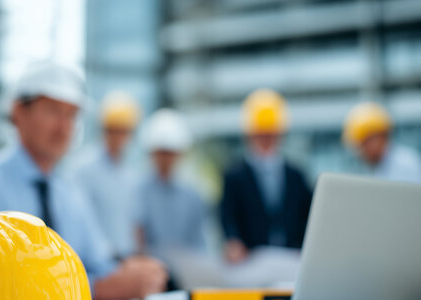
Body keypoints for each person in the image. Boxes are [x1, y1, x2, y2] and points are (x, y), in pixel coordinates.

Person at [0, 61, 167, 300]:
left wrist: (135, 274)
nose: (64, 127)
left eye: (71, 115)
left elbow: (100, 265)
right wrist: (104, 289)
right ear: (18, 112)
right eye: (53, 111)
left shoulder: (71, 193)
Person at [220, 89, 312, 264]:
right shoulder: (234, 176)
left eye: (269, 133)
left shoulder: (296, 176)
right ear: (249, 134)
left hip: (292, 259)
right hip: (251, 262)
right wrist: (233, 242)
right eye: (260, 134)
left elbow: (306, 217)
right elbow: (228, 216)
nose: (265, 139)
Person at [73, 91, 141, 259]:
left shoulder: (130, 174)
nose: (118, 137)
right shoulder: (84, 169)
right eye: (113, 130)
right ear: (103, 130)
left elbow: (132, 222)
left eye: (123, 131)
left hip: (126, 256)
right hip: (95, 260)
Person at [134, 109, 207, 263]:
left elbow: (200, 243)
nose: (165, 159)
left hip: (187, 270)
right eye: (161, 152)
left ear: (180, 153)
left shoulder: (192, 194)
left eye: (170, 153)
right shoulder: (140, 191)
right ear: (152, 153)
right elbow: (137, 239)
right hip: (151, 271)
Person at [343, 102, 421, 184]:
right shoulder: (369, 169)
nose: (361, 152)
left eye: (363, 144)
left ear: (380, 136)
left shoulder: (408, 163)